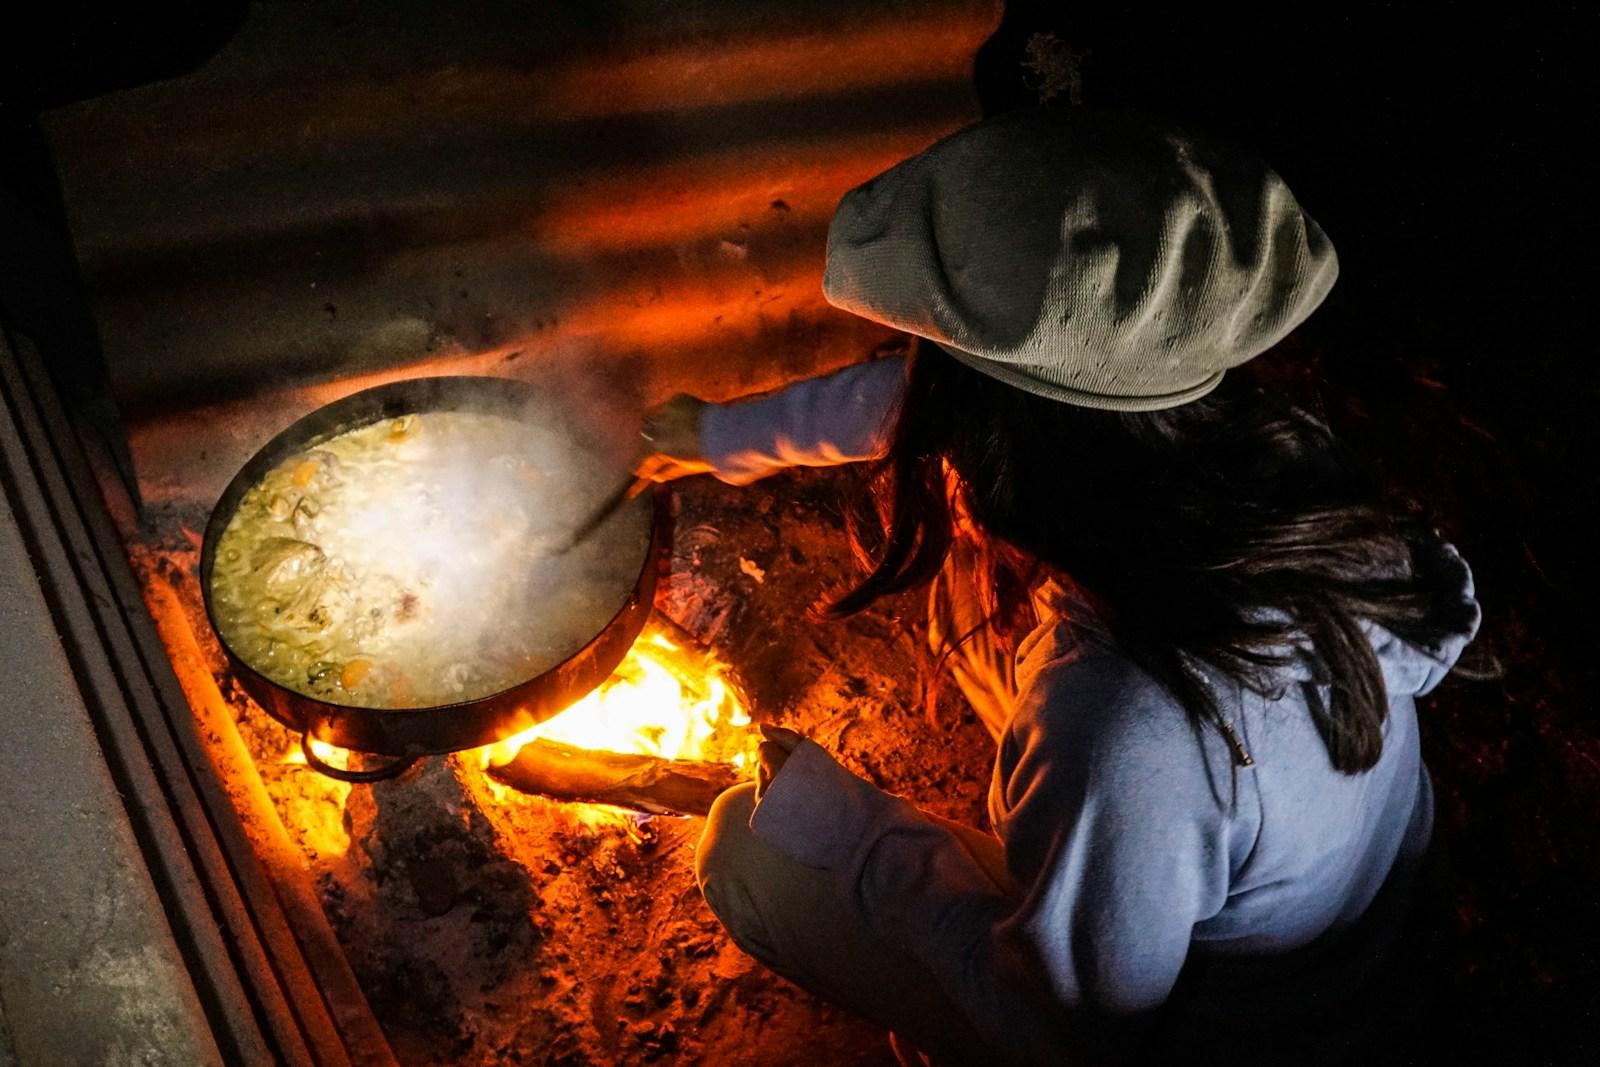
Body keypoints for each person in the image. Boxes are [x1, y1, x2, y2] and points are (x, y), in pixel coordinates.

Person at [637, 108, 1482, 1065]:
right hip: (1329, 922)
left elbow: (1060, 1024)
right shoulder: (1249, 447)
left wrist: (845, 825)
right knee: (973, 592)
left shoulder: (1124, 723)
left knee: (747, 851)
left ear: (989, 423)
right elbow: (953, 409)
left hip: (1229, 1027)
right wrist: (718, 438)